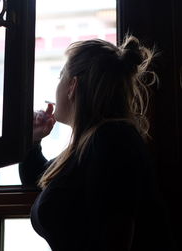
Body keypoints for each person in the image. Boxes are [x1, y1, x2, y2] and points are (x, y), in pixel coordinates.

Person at [19, 35, 172, 251]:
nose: (57, 85)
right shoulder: (95, 140)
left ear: (72, 85)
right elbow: (38, 178)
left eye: (61, 76)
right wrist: (34, 140)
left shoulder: (112, 141)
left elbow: (116, 237)